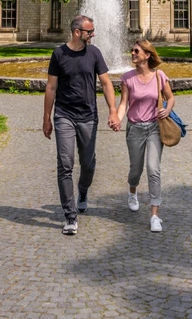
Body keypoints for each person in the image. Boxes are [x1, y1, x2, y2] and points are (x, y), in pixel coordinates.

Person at [43, 15, 120, 235]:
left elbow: (106, 83)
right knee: (65, 164)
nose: (93, 34)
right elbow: (51, 88)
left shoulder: (94, 54)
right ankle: (70, 215)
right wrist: (46, 117)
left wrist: (113, 111)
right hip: (64, 115)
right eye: (90, 31)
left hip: (88, 116)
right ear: (78, 32)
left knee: (88, 164)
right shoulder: (59, 54)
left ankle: (83, 191)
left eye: (92, 31)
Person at [116, 39, 175, 233]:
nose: (132, 54)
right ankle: (132, 192)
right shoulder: (127, 78)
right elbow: (124, 103)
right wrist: (117, 118)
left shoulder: (159, 76)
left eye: (136, 51)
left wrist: (167, 109)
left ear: (147, 55)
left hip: (154, 128)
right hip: (134, 129)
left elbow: (170, 97)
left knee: (153, 169)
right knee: (136, 169)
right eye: (132, 51)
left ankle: (155, 215)